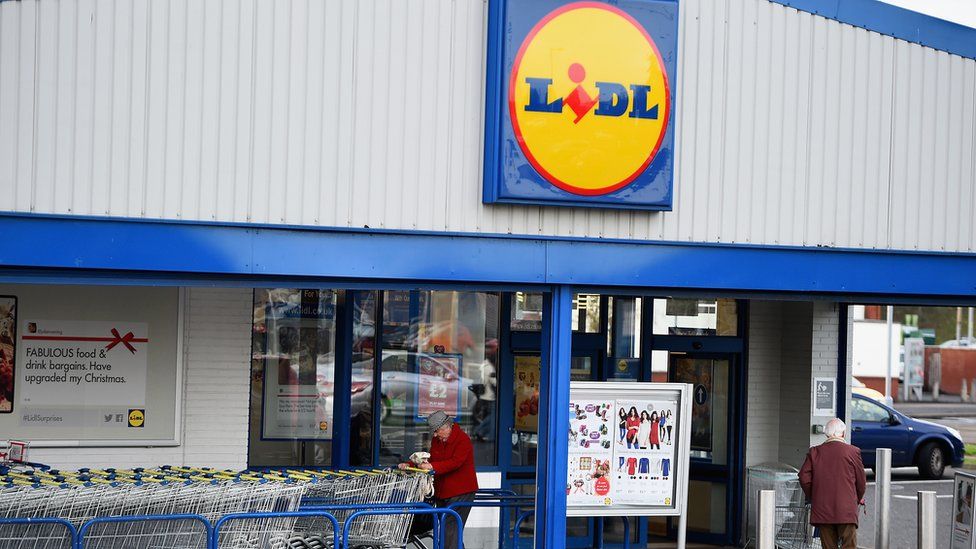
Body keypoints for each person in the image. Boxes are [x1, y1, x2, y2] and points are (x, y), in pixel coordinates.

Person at [400, 410, 479, 549]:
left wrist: (431, 466)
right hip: (443, 492)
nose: (435, 435)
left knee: (450, 528)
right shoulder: (437, 440)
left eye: (436, 431)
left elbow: (455, 462)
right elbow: (432, 458)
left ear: (446, 427)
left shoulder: (463, 440)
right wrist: (411, 464)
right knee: (448, 530)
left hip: (461, 492)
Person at [799, 418, 866, 549]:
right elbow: (861, 482)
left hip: (823, 509)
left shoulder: (815, 452)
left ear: (827, 434)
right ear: (843, 434)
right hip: (846, 510)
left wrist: (814, 495)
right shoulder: (853, 451)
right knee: (849, 545)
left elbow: (803, 477)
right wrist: (856, 499)